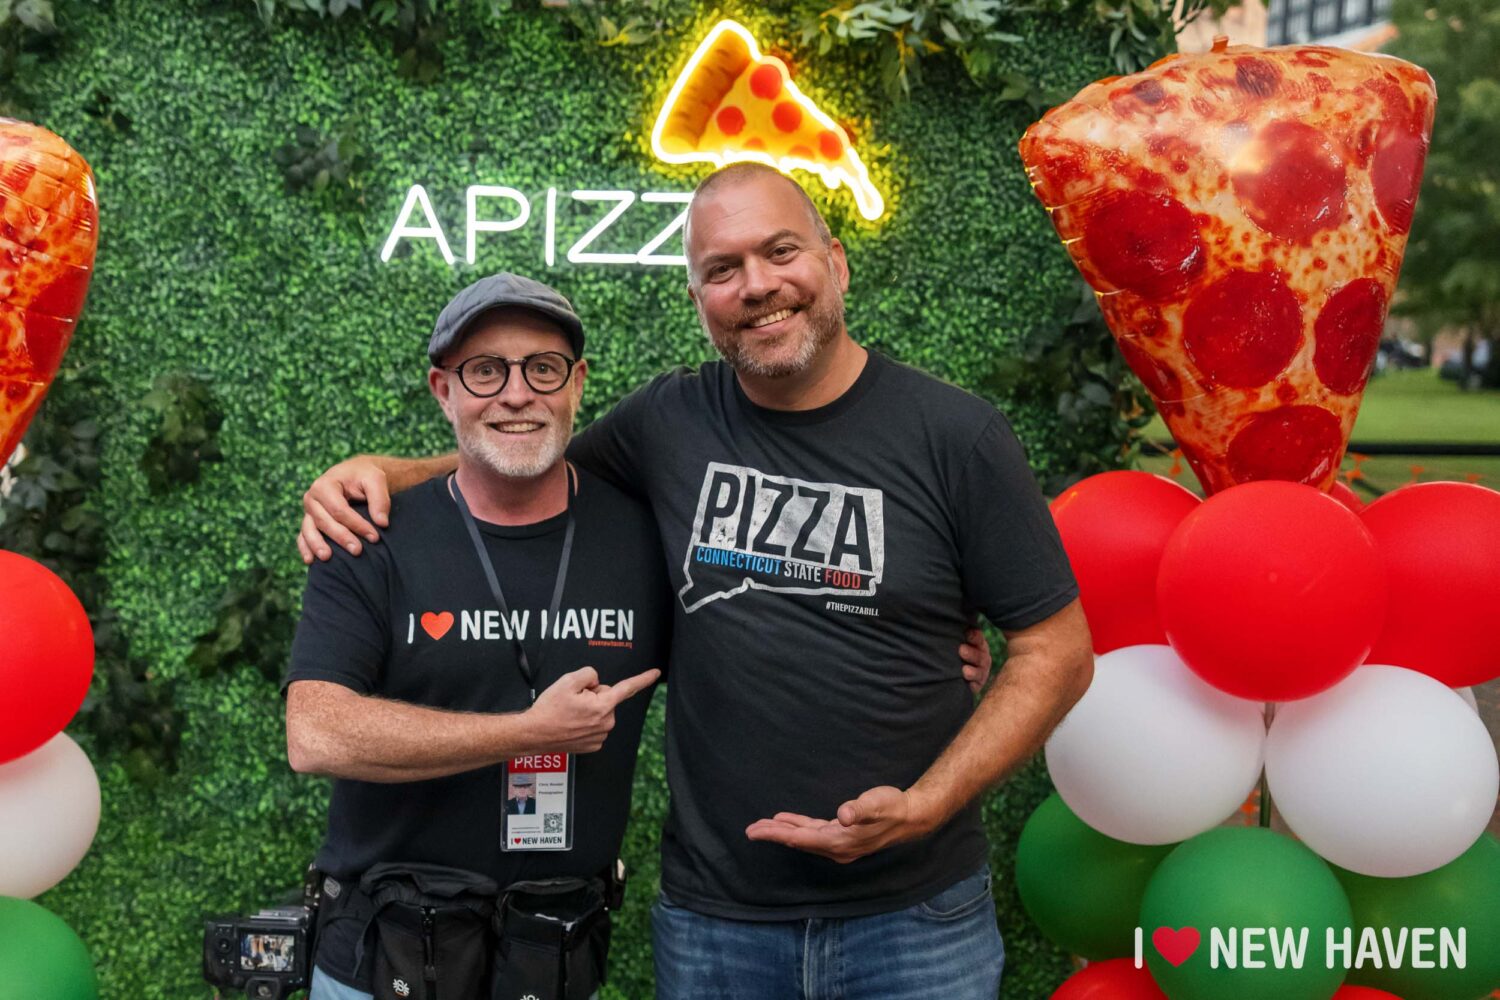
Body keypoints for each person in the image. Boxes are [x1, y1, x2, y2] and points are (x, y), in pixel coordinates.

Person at [299, 162, 1093, 999]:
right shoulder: (666, 422)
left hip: (917, 918)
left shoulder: (956, 436)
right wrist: (378, 471)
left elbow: (1056, 650)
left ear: (836, 261)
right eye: (722, 269)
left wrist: (930, 802)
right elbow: (523, 461)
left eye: (779, 251)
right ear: (698, 299)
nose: (757, 285)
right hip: (719, 925)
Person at [283, 274, 669, 999]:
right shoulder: (370, 533)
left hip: (552, 961)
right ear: (443, 390)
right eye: (485, 371)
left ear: (577, 384)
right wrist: (528, 732)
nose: (516, 394)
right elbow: (316, 734)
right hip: (379, 966)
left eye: (542, 368)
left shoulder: (648, 537)